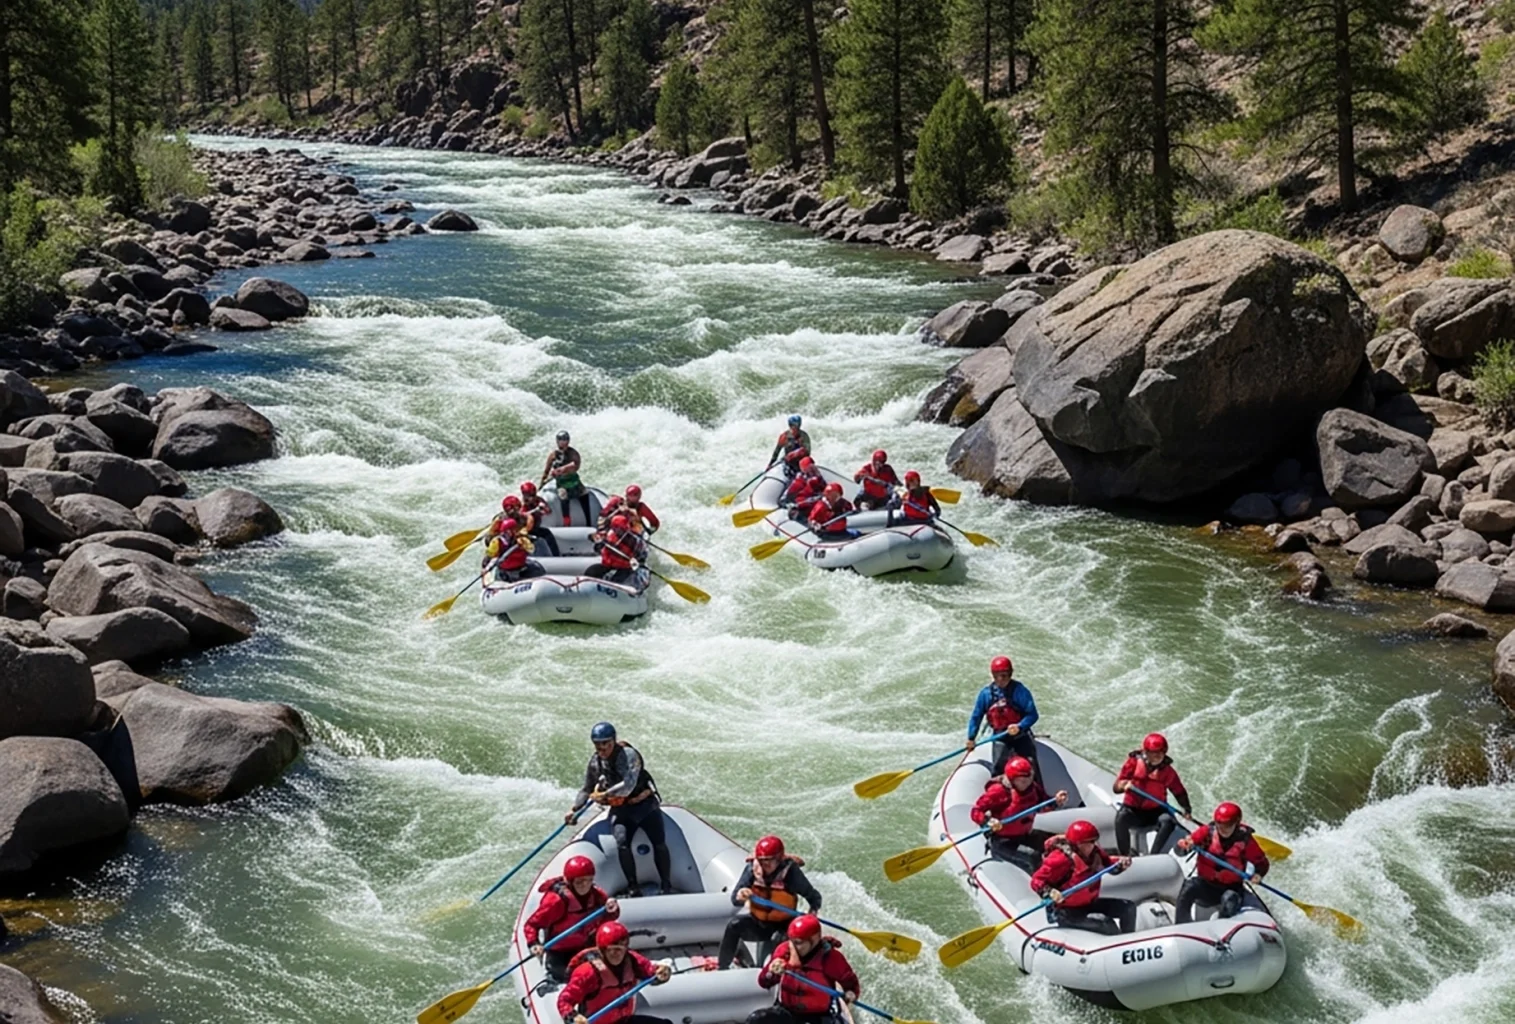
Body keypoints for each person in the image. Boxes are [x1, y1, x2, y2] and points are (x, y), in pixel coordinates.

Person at [566, 723, 673, 897]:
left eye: (605, 744)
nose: (601, 749)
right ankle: (633, 887)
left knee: (659, 842)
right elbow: (587, 789)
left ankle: (666, 885)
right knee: (622, 842)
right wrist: (574, 809)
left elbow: (628, 786)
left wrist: (604, 795)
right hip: (622, 808)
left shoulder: (629, 755)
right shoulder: (596, 762)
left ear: (613, 741)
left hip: (644, 805)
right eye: (597, 744)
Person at [718, 835, 824, 971]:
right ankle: (722, 967)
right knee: (734, 926)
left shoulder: (791, 874)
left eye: (768, 861)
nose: (763, 865)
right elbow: (735, 900)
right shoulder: (752, 869)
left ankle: (775, 974)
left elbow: (814, 897)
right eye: (761, 861)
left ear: (779, 859)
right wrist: (742, 895)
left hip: (784, 924)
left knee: (777, 938)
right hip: (759, 923)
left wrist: (812, 914)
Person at [745, 915, 859, 1024]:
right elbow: (763, 982)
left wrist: (850, 994)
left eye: (798, 943)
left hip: (817, 1016)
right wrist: (771, 972)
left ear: (814, 940)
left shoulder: (831, 959)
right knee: (755, 1019)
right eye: (791, 940)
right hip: (786, 1011)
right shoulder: (784, 951)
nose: (792, 946)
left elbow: (851, 985)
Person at [1029, 820, 1135, 935]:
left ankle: (1129, 939)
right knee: (1105, 922)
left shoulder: (1095, 853)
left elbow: (1109, 866)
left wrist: (1120, 864)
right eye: (1090, 842)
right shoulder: (1060, 860)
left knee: (1128, 907)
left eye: (1095, 841)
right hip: (1067, 911)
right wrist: (1049, 892)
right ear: (1078, 844)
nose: (1094, 844)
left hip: (1088, 904)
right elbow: (1037, 880)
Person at [526, 856, 622, 982]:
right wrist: (534, 943)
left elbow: (609, 918)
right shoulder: (555, 902)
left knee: (607, 973)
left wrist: (613, 910)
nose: (585, 885)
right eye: (580, 881)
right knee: (579, 978)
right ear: (569, 881)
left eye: (588, 880)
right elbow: (531, 925)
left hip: (585, 945)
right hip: (560, 953)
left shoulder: (596, 895)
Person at [557, 921, 673, 1024]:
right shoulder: (587, 972)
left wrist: (662, 972)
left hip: (624, 1020)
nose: (616, 954)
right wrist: (573, 1016)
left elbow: (650, 971)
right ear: (602, 950)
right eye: (611, 950)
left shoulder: (632, 960)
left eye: (619, 950)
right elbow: (565, 1000)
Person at [1174, 802, 1270, 924]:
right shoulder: (1207, 832)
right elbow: (1180, 851)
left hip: (1231, 888)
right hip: (1206, 885)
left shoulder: (1246, 841)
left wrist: (1258, 874)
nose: (1222, 829)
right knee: (1189, 886)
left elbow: (1262, 864)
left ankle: (1221, 929)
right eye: (1219, 824)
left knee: (1229, 899)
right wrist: (1184, 845)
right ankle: (1181, 924)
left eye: (1227, 825)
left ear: (1236, 823)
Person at [970, 757, 1068, 871]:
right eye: (1023, 781)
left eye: (1030, 778)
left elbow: (1044, 804)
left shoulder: (1033, 788)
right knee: (1033, 856)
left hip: (1024, 834)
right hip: (1003, 841)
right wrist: (987, 821)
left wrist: (1056, 801)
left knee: (1053, 847)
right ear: (1012, 779)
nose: (1028, 783)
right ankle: (1039, 883)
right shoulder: (998, 791)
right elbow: (975, 811)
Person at [1112, 733, 1192, 856]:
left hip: (1156, 811)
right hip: (1133, 810)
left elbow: (1179, 791)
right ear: (1146, 752)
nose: (1158, 756)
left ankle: (1153, 855)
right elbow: (1116, 787)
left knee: (1168, 821)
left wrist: (1186, 809)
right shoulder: (1133, 764)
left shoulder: (1168, 772)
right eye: (1154, 752)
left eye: (1161, 752)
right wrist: (1123, 785)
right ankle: (1124, 855)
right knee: (1121, 818)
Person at [965, 656, 1041, 780]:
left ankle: (1036, 791)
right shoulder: (986, 694)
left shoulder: (1020, 691)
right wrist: (971, 737)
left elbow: (1033, 715)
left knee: (1029, 764)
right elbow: (976, 716)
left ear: (1010, 674)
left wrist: (1020, 726)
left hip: (1020, 735)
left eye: (1004, 675)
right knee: (998, 766)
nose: (1000, 680)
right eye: (996, 676)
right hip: (1000, 736)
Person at [543, 430, 592, 526]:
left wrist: (564, 469)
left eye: (565, 441)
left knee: (584, 495)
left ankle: (589, 521)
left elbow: (576, 465)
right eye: (561, 441)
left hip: (574, 481)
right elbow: (546, 471)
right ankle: (567, 522)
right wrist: (542, 483)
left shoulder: (573, 453)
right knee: (563, 498)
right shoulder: (553, 455)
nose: (563, 444)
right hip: (562, 484)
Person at [586, 515, 646, 586]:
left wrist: (638, 561)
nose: (640, 528)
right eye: (639, 525)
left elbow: (641, 556)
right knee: (591, 572)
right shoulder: (619, 526)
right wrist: (598, 539)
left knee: (616, 581)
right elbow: (605, 535)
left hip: (625, 567)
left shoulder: (639, 542)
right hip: (609, 563)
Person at [484, 519, 545, 583]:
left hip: (521, 566)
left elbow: (531, 550)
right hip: (507, 570)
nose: (515, 531)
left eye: (515, 529)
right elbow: (489, 554)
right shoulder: (497, 542)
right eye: (512, 530)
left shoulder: (521, 540)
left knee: (537, 569)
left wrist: (523, 544)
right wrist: (486, 563)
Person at [518, 479, 560, 556]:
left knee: (547, 534)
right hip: (524, 531)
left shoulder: (538, 500)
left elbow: (548, 511)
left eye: (533, 495)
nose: (533, 498)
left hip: (535, 529)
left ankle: (556, 555)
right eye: (530, 496)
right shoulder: (522, 505)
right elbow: (521, 516)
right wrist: (534, 511)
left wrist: (544, 508)